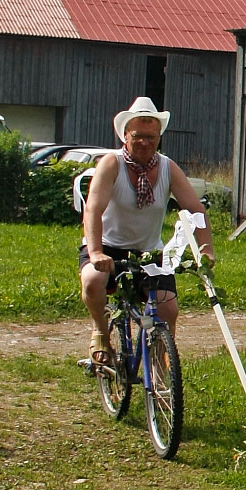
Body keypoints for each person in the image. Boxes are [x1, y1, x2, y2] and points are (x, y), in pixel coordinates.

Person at [79, 97, 214, 364]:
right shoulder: (112, 163)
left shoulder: (167, 167)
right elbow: (93, 208)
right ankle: (100, 332)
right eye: (138, 136)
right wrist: (95, 252)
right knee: (93, 281)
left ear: (159, 137)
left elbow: (194, 209)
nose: (144, 142)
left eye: (151, 137)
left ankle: (162, 371)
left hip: (148, 251)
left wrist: (206, 250)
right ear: (126, 135)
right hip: (108, 246)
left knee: (167, 308)